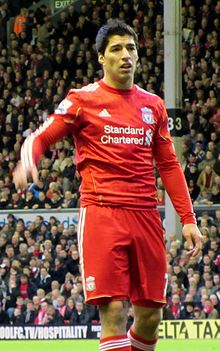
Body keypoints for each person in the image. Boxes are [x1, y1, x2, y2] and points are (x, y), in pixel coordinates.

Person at [13, 21, 203, 351]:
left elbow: (169, 165)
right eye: (116, 49)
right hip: (102, 213)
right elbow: (42, 136)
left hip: (145, 215)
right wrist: (29, 156)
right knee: (114, 310)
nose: (125, 55)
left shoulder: (153, 105)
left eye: (131, 48)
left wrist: (188, 218)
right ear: (101, 57)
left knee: (150, 316)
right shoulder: (82, 100)